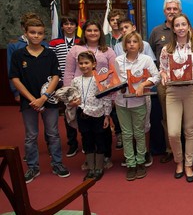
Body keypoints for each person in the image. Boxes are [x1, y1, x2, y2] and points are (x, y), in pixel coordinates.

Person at [9, 17, 70, 183]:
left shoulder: (50, 54)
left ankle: (57, 163)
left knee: (53, 133)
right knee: (30, 135)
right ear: (26, 33)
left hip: (48, 101)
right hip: (28, 102)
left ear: (44, 35)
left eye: (40, 33)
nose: (36, 36)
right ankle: (33, 167)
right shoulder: (18, 54)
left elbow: (56, 76)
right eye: (32, 33)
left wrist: (44, 97)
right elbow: (15, 78)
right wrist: (32, 99)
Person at [64, 20, 117, 169]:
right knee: (86, 131)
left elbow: (113, 75)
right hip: (80, 96)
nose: (92, 33)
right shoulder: (75, 49)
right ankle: (90, 159)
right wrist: (70, 97)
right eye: (89, 30)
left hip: (101, 96)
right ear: (84, 32)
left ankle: (104, 157)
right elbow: (68, 73)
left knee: (103, 131)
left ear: (100, 33)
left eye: (96, 30)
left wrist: (111, 97)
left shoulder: (108, 50)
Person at [160, 13, 193, 183]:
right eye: (177, 25)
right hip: (173, 92)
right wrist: (163, 75)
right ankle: (178, 161)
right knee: (173, 132)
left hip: (192, 90)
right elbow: (162, 69)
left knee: (190, 130)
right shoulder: (167, 49)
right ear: (173, 28)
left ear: (188, 26)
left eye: (183, 24)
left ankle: (188, 164)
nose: (180, 28)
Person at [114, 32, 160, 181]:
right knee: (126, 134)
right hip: (121, 102)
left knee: (139, 133)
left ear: (140, 45)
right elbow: (114, 79)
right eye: (129, 42)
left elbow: (157, 76)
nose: (132, 44)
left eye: (135, 41)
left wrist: (144, 84)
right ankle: (130, 163)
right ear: (125, 45)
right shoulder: (118, 60)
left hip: (139, 102)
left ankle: (140, 161)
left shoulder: (146, 60)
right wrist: (117, 86)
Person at [148, 0, 182, 163]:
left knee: (186, 116)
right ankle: (170, 149)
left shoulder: (187, 29)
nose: (172, 12)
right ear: (164, 11)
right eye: (169, 9)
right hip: (165, 83)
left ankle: (190, 149)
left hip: (184, 82)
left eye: (175, 9)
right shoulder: (156, 31)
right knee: (167, 117)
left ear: (180, 11)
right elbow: (150, 58)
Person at [69, 51, 111, 181]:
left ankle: (99, 167)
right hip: (83, 114)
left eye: (86, 63)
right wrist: (72, 101)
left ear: (94, 64)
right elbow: (71, 96)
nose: (83, 65)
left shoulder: (99, 79)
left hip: (98, 114)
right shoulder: (76, 81)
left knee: (99, 139)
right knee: (87, 139)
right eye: (80, 63)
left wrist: (107, 115)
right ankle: (91, 167)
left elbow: (106, 97)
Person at [49, 15, 80, 157]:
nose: (69, 26)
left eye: (71, 23)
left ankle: (85, 141)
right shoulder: (55, 43)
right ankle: (72, 143)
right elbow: (51, 62)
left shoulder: (81, 41)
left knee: (82, 111)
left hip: (80, 81)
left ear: (76, 26)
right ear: (62, 26)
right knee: (68, 113)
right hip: (61, 82)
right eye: (66, 24)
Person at [7, 12, 46, 103]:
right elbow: (11, 70)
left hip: (44, 89)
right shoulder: (14, 45)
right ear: (24, 28)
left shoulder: (45, 44)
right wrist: (16, 92)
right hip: (24, 88)